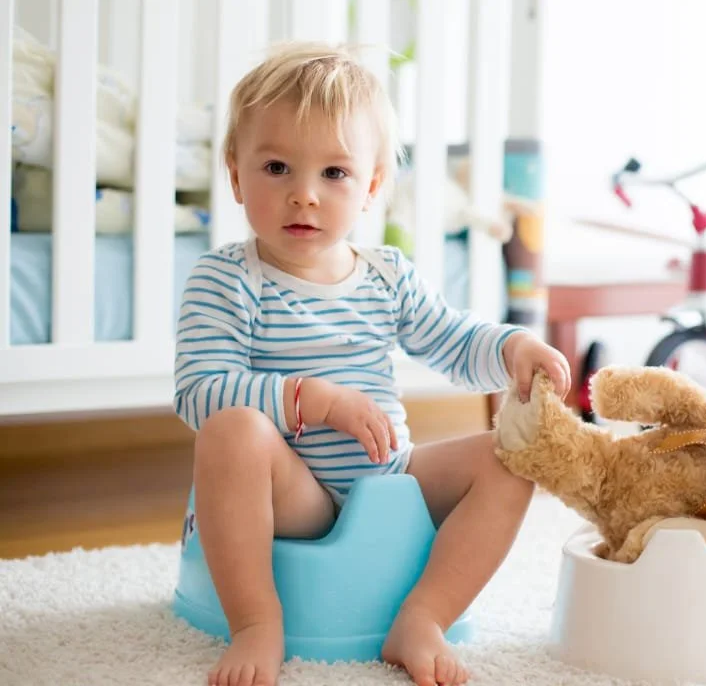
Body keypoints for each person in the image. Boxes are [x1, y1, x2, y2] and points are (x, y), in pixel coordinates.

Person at [173, 42, 571, 686]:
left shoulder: (385, 275)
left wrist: (511, 348)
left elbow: (450, 338)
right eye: (276, 167)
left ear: (373, 186)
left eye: (334, 173)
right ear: (236, 175)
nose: (304, 195)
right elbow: (201, 391)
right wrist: (318, 400)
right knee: (231, 430)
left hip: (392, 476)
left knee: (513, 457)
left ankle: (423, 616)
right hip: (294, 492)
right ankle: (256, 621)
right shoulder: (226, 279)